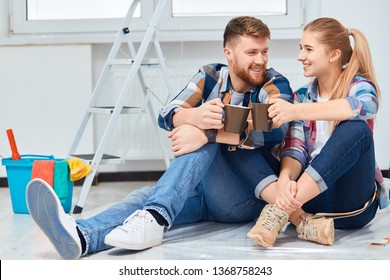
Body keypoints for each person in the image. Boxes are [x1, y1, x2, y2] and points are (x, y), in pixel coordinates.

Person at [26, 16, 293, 259]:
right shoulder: (211, 74)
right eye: (252, 52)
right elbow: (167, 113)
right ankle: (82, 237)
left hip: (245, 197)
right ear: (229, 53)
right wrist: (194, 117)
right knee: (145, 199)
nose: (261, 60)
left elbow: (274, 129)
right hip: (205, 191)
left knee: (200, 140)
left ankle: (155, 216)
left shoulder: (273, 84)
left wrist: (209, 133)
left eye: (264, 52)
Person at [245, 17, 387, 248]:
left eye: (309, 49)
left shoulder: (358, 85)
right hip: (310, 201)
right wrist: (284, 180)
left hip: (351, 205)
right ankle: (299, 218)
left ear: (334, 55)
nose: (301, 56)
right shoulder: (302, 95)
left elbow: (368, 105)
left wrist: (296, 111)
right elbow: (296, 149)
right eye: (301, 48)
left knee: (357, 127)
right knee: (240, 144)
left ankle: (279, 210)